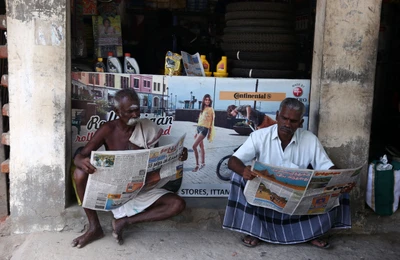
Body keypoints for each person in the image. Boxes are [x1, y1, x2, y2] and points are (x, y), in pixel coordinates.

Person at [223, 98, 347, 249]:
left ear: (300, 123)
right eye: (284, 118)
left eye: (293, 121)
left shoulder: (310, 140)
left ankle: (313, 232)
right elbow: (232, 161)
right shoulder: (260, 136)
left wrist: (342, 179)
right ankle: (254, 230)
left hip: (297, 203)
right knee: (237, 176)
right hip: (266, 198)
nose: (287, 124)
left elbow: (328, 167)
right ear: (277, 116)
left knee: (337, 184)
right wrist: (244, 170)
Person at [71, 89, 187, 248]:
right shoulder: (108, 129)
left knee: (177, 204)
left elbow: (157, 162)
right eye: (129, 111)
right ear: (117, 112)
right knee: (79, 173)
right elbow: (81, 155)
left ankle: (124, 222)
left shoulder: (148, 129)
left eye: (137, 109)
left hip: (141, 188)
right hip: (116, 190)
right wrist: (80, 160)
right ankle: (94, 227)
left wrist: (177, 157)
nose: (135, 114)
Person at [192, 94, 215, 172]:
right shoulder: (202, 109)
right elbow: (199, 120)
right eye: (206, 100)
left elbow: (212, 122)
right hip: (199, 128)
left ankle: (197, 165)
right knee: (201, 147)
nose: (207, 101)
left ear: (210, 101)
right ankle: (203, 163)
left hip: (204, 129)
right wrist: (196, 131)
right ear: (204, 101)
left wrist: (210, 133)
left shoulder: (211, 109)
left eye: (208, 100)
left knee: (194, 146)